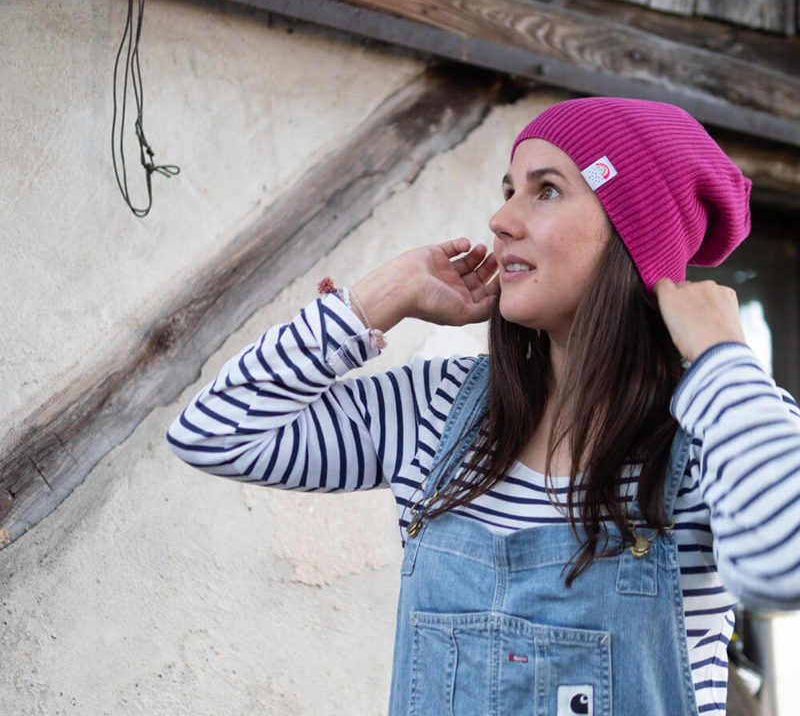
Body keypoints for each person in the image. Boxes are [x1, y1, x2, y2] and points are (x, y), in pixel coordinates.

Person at [167, 97, 800, 715]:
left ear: (634, 234)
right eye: (508, 190)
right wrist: (377, 297)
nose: (502, 220)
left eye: (546, 190)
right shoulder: (436, 411)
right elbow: (211, 433)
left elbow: (784, 568)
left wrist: (720, 360)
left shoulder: (720, 426)